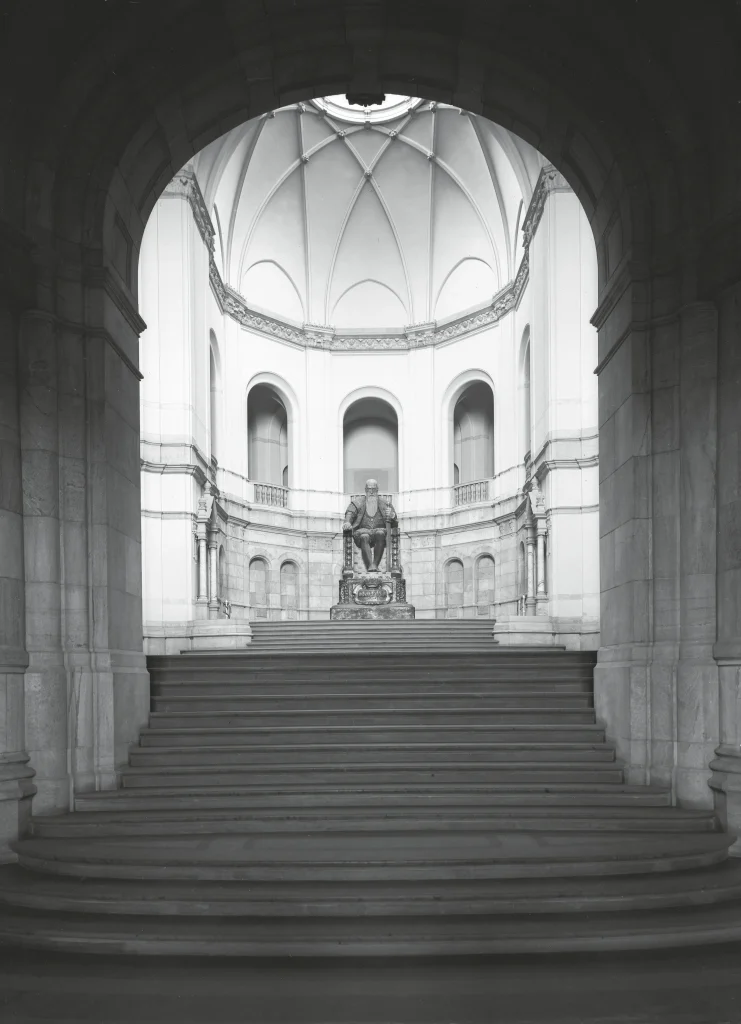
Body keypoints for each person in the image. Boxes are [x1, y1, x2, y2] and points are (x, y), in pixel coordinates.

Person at [343, 478, 397, 571]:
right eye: (369, 489)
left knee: (380, 533)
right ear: (365, 490)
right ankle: (370, 566)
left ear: (377, 490)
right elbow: (350, 513)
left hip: (380, 532)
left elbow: (394, 521)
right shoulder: (358, 503)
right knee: (364, 536)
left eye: (373, 489)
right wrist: (347, 522)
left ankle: (374, 565)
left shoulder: (386, 504)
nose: (371, 492)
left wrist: (392, 515)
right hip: (362, 532)